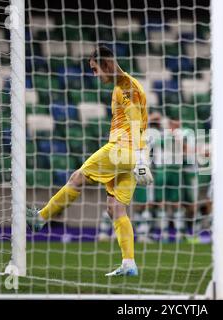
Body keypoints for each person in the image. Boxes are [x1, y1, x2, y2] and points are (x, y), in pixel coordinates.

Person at [26, 45, 154, 276]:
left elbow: (135, 122)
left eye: (95, 69)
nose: (95, 75)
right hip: (131, 156)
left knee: (78, 178)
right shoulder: (127, 84)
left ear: (106, 64)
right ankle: (129, 264)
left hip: (122, 150)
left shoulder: (125, 87)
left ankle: (41, 218)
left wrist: (141, 158)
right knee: (116, 208)